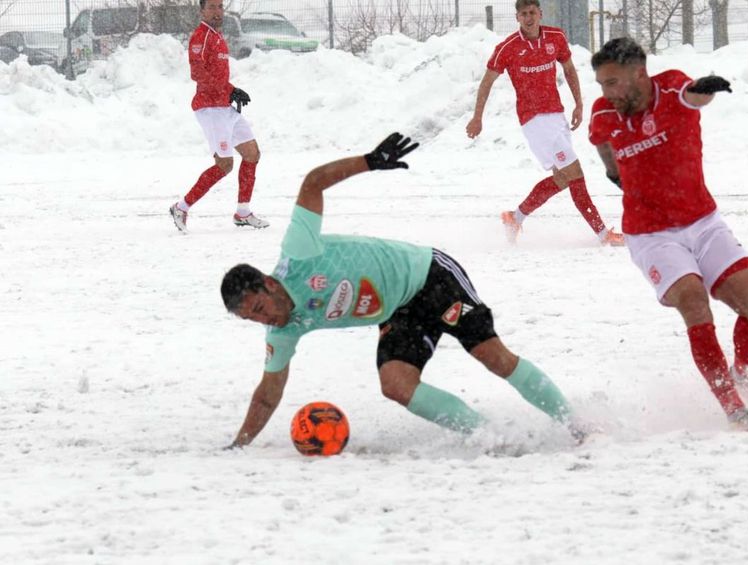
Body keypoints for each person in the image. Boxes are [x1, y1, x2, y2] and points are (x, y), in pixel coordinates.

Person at [220, 132, 582, 447]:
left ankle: (577, 425)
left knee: (494, 357)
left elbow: (312, 182)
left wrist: (369, 161)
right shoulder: (282, 332)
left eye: (259, 307)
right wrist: (240, 444)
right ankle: (489, 436)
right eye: (250, 318)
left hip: (430, 277)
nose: (262, 319)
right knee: (396, 385)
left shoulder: (298, 253)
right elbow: (268, 394)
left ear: (268, 284)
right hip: (399, 310)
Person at [588, 37, 748, 431]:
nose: (607, 92)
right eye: (602, 83)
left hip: (703, 222)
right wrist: (612, 171)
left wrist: (706, 89)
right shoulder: (604, 110)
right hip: (650, 234)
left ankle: (741, 372)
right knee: (693, 300)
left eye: (613, 82)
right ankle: (732, 405)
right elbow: (602, 141)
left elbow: (693, 96)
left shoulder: (672, 87)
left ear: (639, 74)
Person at [466, 0, 623, 246]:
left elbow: (570, 70)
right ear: (517, 17)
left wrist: (579, 104)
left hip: (556, 116)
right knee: (575, 174)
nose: (528, 18)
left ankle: (514, 218)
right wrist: (477, 117)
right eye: (523, 14)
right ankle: (604, 235)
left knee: (562, 178)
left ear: (540, 13)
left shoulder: (555, 37)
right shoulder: (507, 47)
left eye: (532, 13)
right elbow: (487, 81)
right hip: (535, 121)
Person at [168, 0, 268, 233]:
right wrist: (228, 90)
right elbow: (198, 73)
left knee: (252, 154)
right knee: (224, 165)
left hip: (224, 107)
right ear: (202, 10)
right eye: (211, 7)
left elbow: (217, 76)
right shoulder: (200, 37)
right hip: (210, 110)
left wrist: (231, 90)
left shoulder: (217, 36)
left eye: (220, 6)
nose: (217, 11)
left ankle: (243, 212)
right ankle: (181, 207)